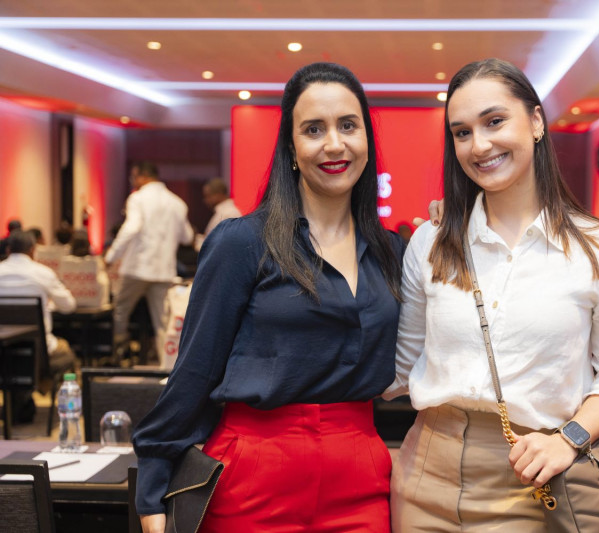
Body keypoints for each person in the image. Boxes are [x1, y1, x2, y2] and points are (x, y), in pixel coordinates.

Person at [132, 62, 404, 533]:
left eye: (348, 126)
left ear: (367, 142)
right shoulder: (242, 242)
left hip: (359, 471)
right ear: (292, 150)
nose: (334, 144)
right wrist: (154, 487)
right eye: (313, 129)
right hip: (254, 469)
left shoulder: (393, 252)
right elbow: (195, 368)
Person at [384, 58, 599, 531]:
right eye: (461, 132)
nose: (479, 145)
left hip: (535, 476)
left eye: (494, 121)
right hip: (424, 475)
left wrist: (568, 438)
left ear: (535, 121)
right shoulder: (431, 241)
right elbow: (401, 366)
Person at [104, 162, 193, 354]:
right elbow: (187, 236)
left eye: (134, 177)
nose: (133, 182)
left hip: (137, 267)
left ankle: (119, 354)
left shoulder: (138, 198)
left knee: (120, 311)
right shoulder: (177, 203)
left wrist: (111, 255)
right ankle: (166, 365)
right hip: (163, 270)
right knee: (162, 322)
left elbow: (131, 228)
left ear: (143, 176)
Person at [0, 230, 78, 420]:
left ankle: (20, 402)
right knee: (66, 352)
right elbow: (69, 306)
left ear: (8, 250)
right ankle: (49, 399)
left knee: (16, 358)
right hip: (39, 353)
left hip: (3, 351)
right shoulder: (43, 273)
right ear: (33, 250)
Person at [194, 177, 242, 251]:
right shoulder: (224, 212)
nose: (205, 200)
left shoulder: (228, 213)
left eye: (208, 196)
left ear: (219, 194)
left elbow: (212, 245)